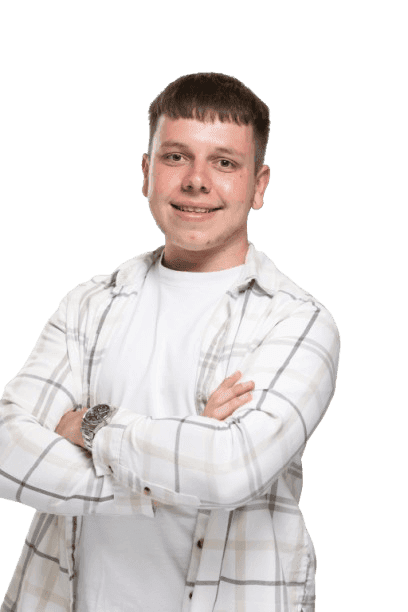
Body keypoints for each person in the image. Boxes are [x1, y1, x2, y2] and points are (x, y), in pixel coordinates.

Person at [0, 72, 340, 612]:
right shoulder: (89, 304)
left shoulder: (298, 323)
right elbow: (6, 448)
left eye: (225, 163)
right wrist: (176, 461)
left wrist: (91, 425)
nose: (197, 181)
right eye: (176, 157)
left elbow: (230, 469)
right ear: (146, 172)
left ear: (259, 185)